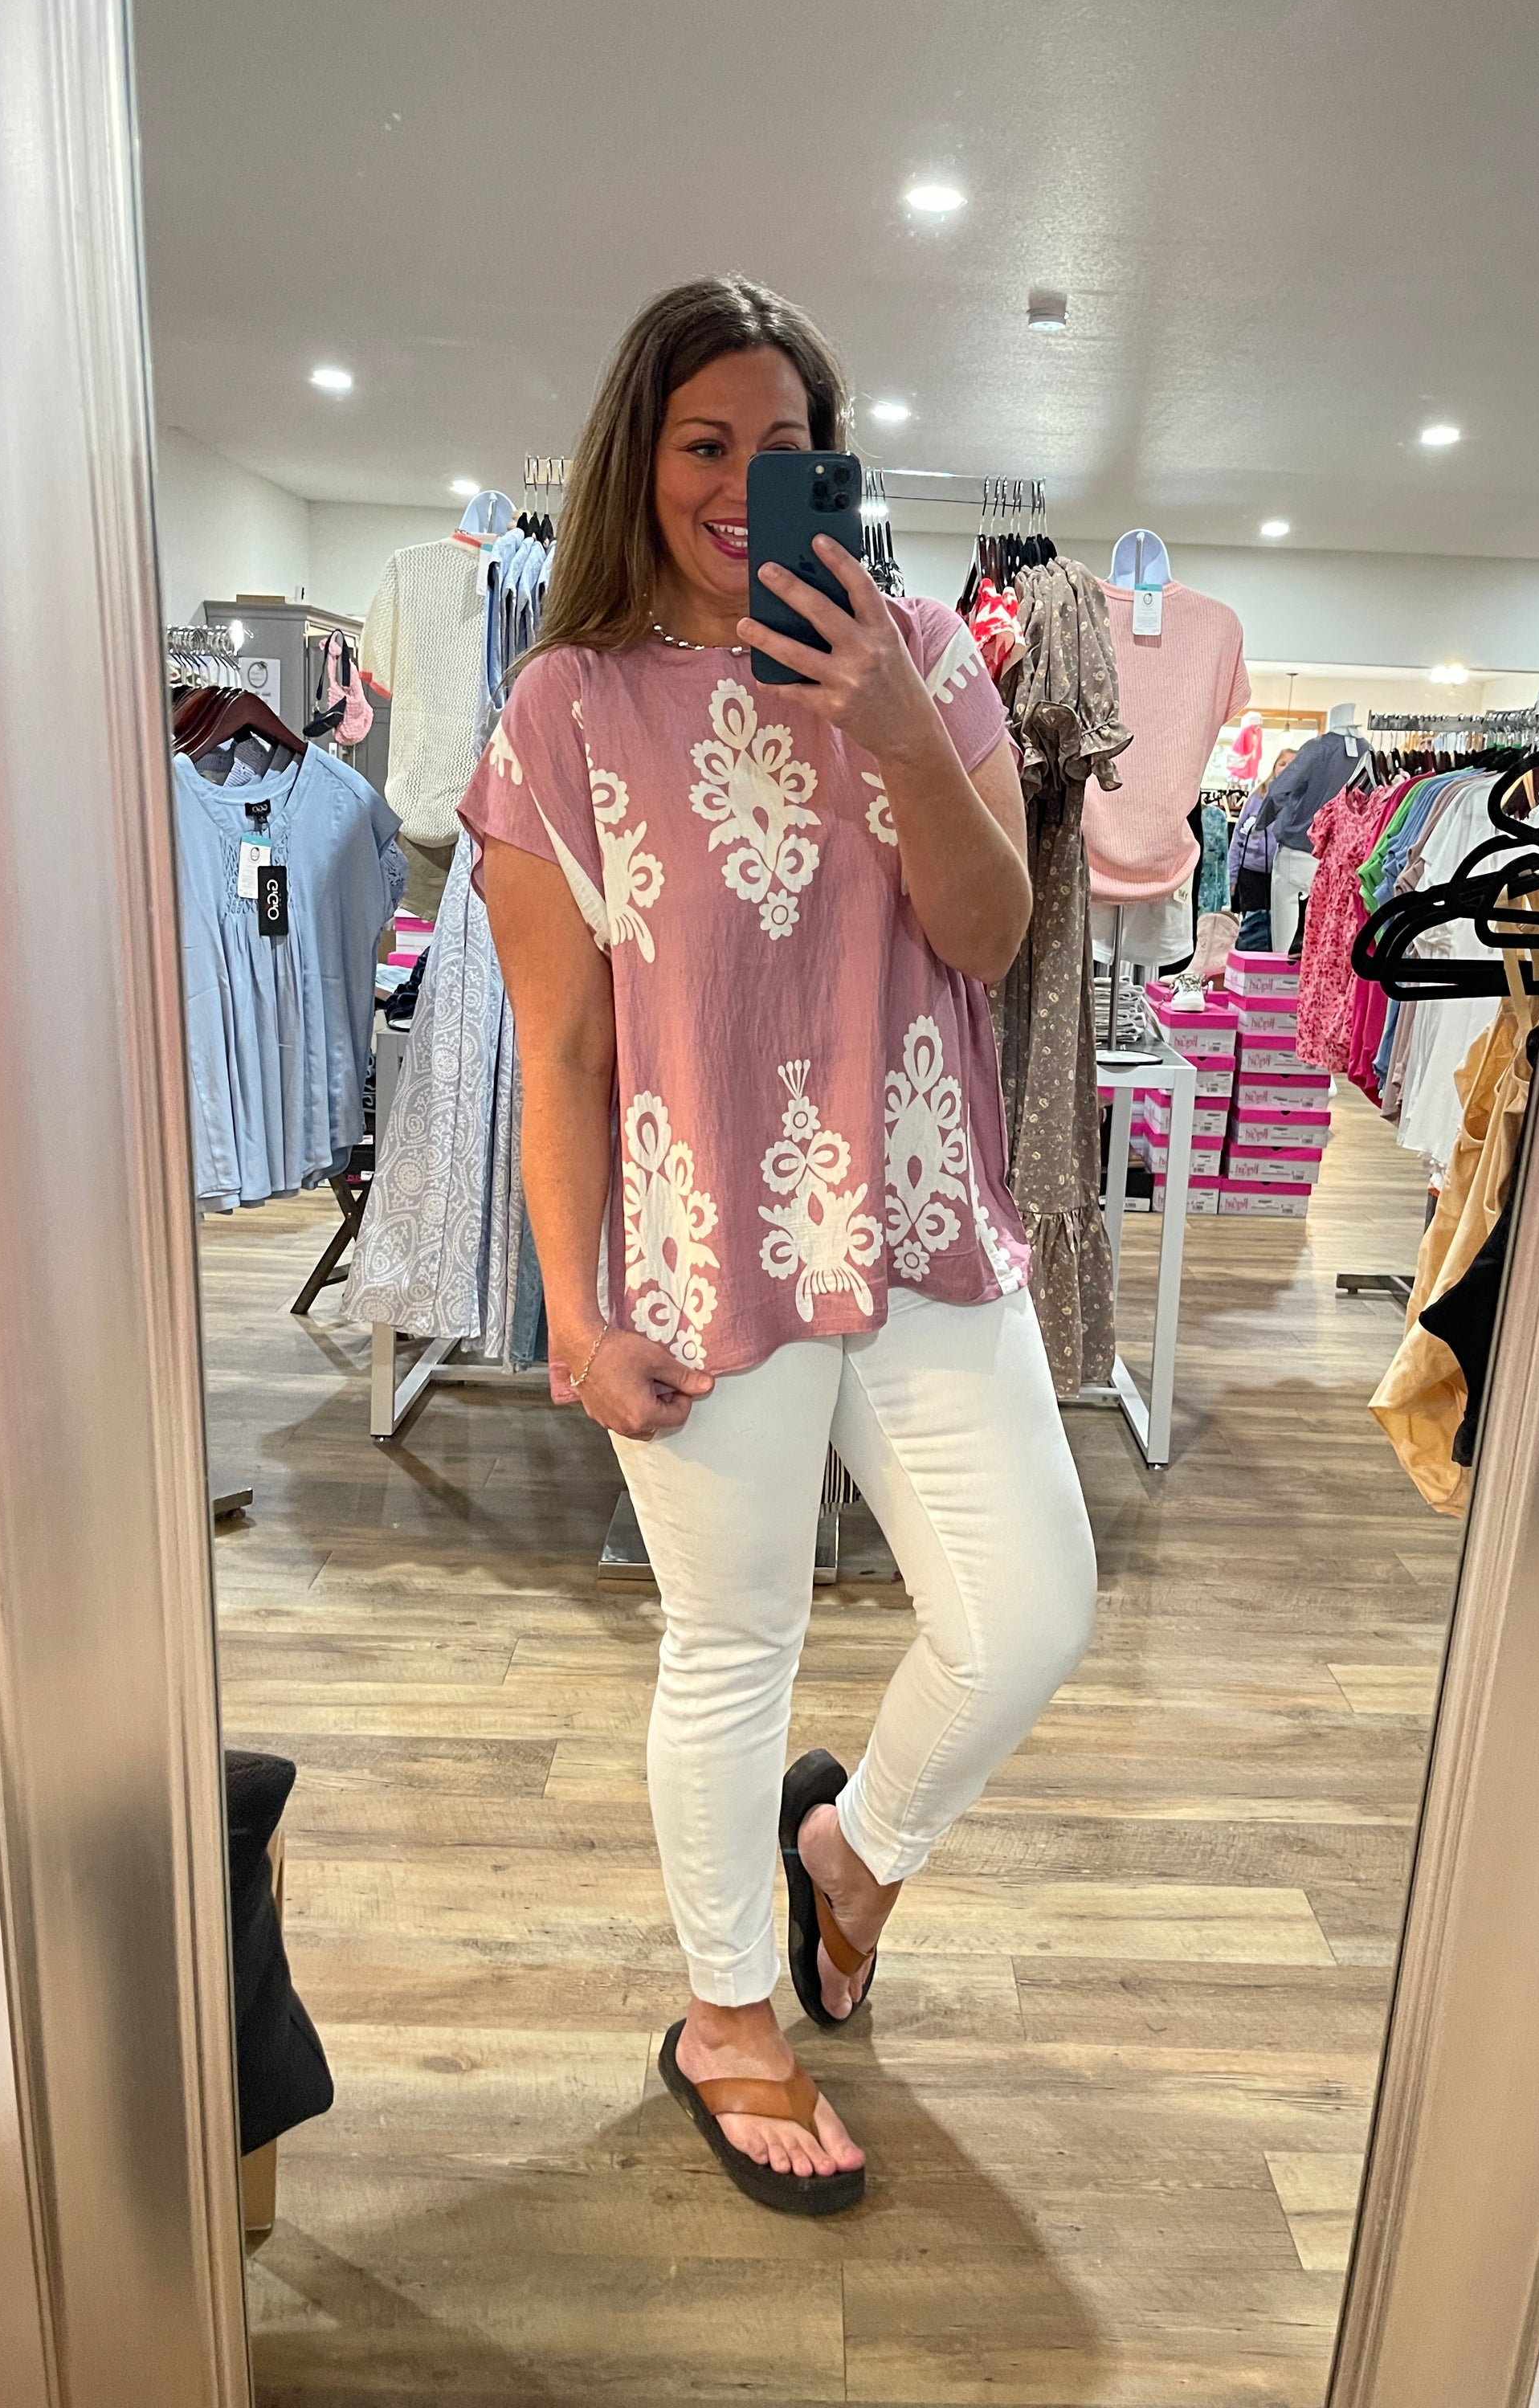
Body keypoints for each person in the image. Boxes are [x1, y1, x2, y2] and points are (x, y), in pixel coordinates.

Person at [462, 276, 1098, 2215]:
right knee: (732, 1644)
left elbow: (989, 938)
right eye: (702, 443)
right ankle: (726, 2013)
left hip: (917, 1219)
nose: (743, 484)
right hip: (699, 1247)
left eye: (782, 446)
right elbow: (564, 1048)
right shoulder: (563, 709)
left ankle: (851, 1857)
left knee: (1028, 1612)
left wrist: (894, 720)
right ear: (635, 460)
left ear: (838, 463)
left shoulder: (927, 654)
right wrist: (576, 1312)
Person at [1227, 745, 1295, 950]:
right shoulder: (1257, 796)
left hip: (1284, 874)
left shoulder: (1301, 800)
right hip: (1252, 873)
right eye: (1282, 763)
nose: (1286, 768)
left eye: (1292, 764)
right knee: (1253, 927)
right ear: (1274, 767)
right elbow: (1238, 838)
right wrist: (1232, 877)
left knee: (1279, 928)